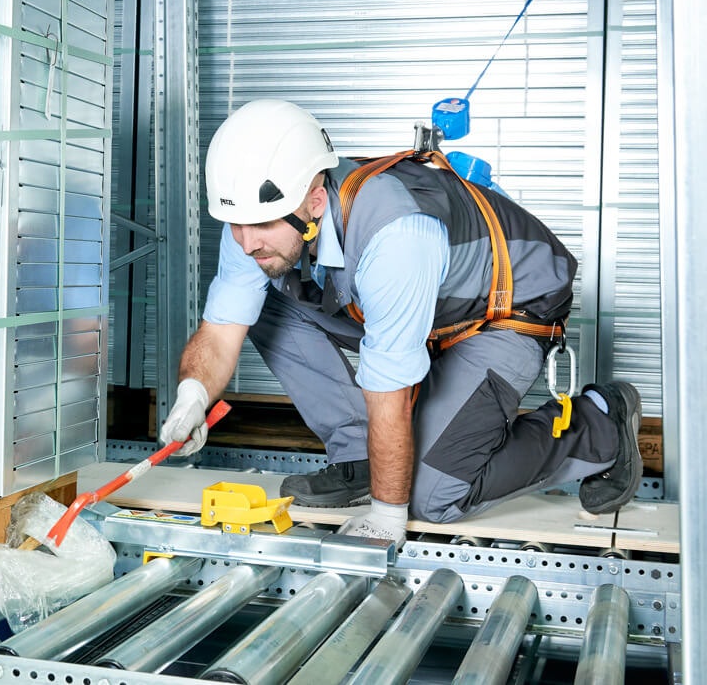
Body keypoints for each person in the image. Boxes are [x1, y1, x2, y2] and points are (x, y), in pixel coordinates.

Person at [159, 99, 643, 546]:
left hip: (503, 314)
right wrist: (192, 397)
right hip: (427, 308)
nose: (245, 242)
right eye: (236, 225)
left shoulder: (394, 234)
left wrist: (387, 516)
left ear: (315, 202)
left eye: (261, 226)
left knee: (433, 497)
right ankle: (360, 457)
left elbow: (389, 388)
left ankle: (600, 423)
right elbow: (222, 328)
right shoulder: (259, 219)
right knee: (263, 297)